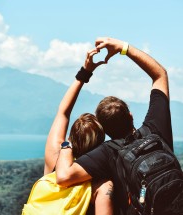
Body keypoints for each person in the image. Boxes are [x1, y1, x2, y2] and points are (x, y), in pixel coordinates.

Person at [54, 37, 174, 215]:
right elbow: (160, 74)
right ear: (131, 116)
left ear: (103, 129)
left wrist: (67, 145)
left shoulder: (107, 153)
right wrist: (122, 47)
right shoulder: (155, 129)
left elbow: (63, 176)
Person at [44, 48, 113, 215]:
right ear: (100, 143)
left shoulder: (54, 158)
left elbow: (63, 112)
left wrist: (86, 72)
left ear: (71, 137)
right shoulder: (101, 182)